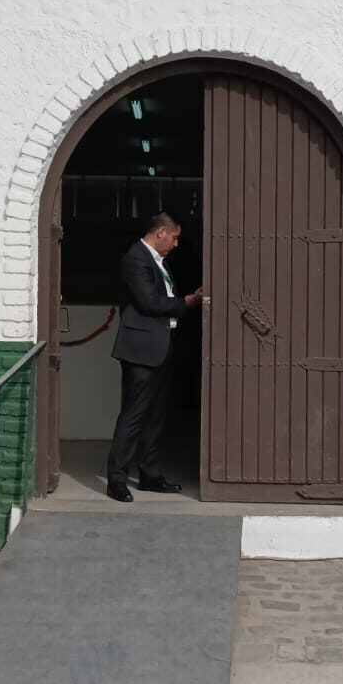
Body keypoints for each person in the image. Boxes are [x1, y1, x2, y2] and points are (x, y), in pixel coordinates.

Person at [105, 213, 203, 502]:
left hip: (162, 346)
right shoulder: (135, 259)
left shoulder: (159, 261)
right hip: (141, 350)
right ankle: (117, 479)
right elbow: (149, 302)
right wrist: (186, 302)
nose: (175, 244)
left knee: (156, 415)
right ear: (160, 232)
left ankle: (149, 475)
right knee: (134, 414)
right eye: (174, 237)